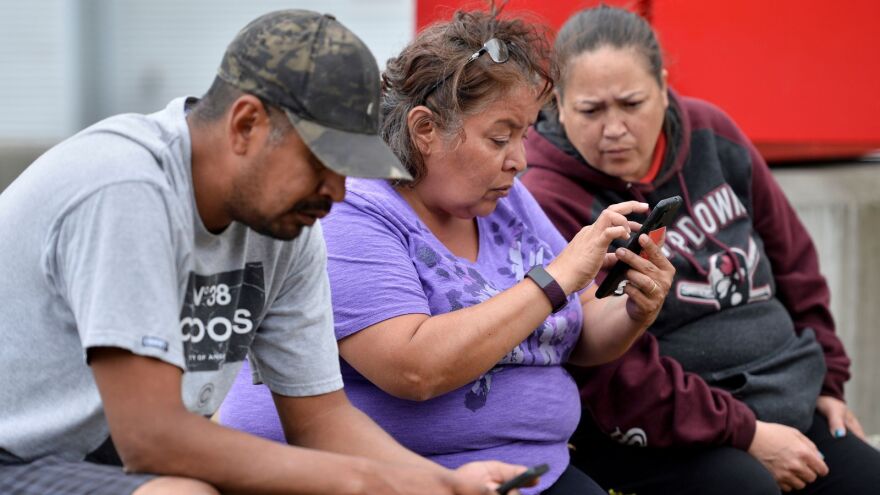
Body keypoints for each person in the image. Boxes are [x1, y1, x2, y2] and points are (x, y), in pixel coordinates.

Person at [0, 10, 531, 495]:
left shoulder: (288, 228)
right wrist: (374, 482)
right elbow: (152, 438)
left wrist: (443, 486)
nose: (337, 193)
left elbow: (320, 422)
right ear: (246, 125)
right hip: (20, 456)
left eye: (349, 170)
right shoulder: (126, 188)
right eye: (323, 163)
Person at [219, 8, 675, 495]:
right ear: (425, 130)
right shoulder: (351, 206)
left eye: (524, 134)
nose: (520, 160)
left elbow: (581, 327)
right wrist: (555, 277)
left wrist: (632, 309)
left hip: (536, 468)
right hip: (403, 477)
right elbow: (414, 368)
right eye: (500, 137)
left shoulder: (503, 198)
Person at [522, 5, 880, 494]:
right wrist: (748, 434)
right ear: (558, 105)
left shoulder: (711, 132)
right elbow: (610, 368)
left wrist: (829, 385)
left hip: (786, 391)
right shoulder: (548, 198)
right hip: (672, 428)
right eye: (591, 110)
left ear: (663, 87)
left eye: (631, 103)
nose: (614, 127)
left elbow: (796, 265)